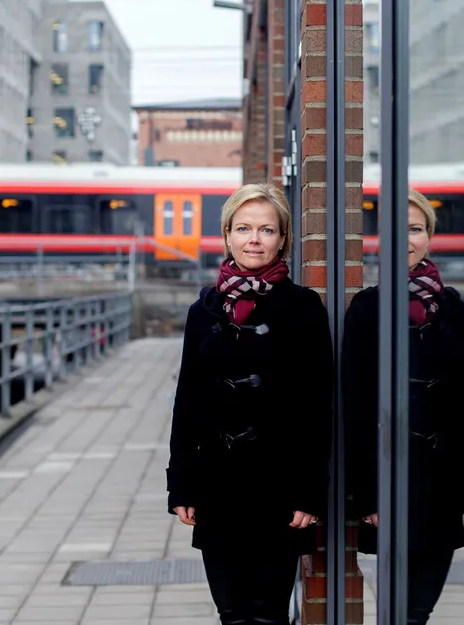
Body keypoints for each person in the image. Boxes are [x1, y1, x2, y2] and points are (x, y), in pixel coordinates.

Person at [166, 182, 332, 625]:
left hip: (279, 487)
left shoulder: (304, 308)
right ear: (227, 235)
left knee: (269, 615)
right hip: (216, 485)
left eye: (266, 229)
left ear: (283, 240)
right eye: (244, 228)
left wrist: (310, 492)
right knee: (231, 615)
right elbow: (187, 402)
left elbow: (320, 407)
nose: (254, 239)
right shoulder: (204, 311)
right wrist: (180, 486)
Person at [342, 189, 464, 624]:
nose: (406, 240)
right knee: (395, 611)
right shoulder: (365, 308)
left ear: (429, 237)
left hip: (445, 482)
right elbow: (354, 408)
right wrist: (367, 492)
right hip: (388, 481)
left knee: (417, 613)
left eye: (415, 229)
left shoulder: (457, 311)